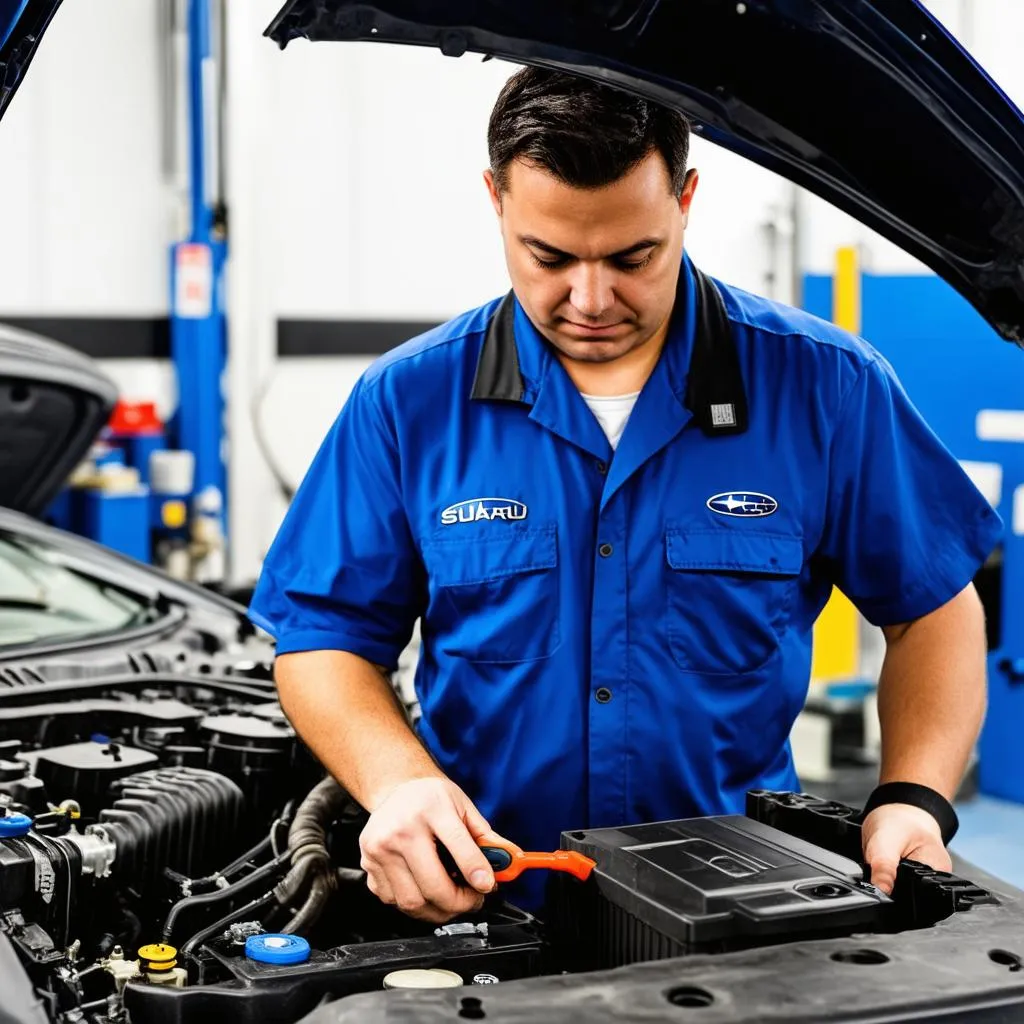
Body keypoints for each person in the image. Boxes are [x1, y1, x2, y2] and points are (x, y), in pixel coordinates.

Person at [248, 68, 1001, 923]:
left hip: (747, 914)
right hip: (485, 905)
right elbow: (323, 638)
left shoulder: (827, 387)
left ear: (685, 199)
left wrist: (914, 796)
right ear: (496, 199)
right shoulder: (408, 403)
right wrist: (397, 783)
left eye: (633, 257)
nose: (591, 299)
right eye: (550, 257)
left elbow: (934, 611)